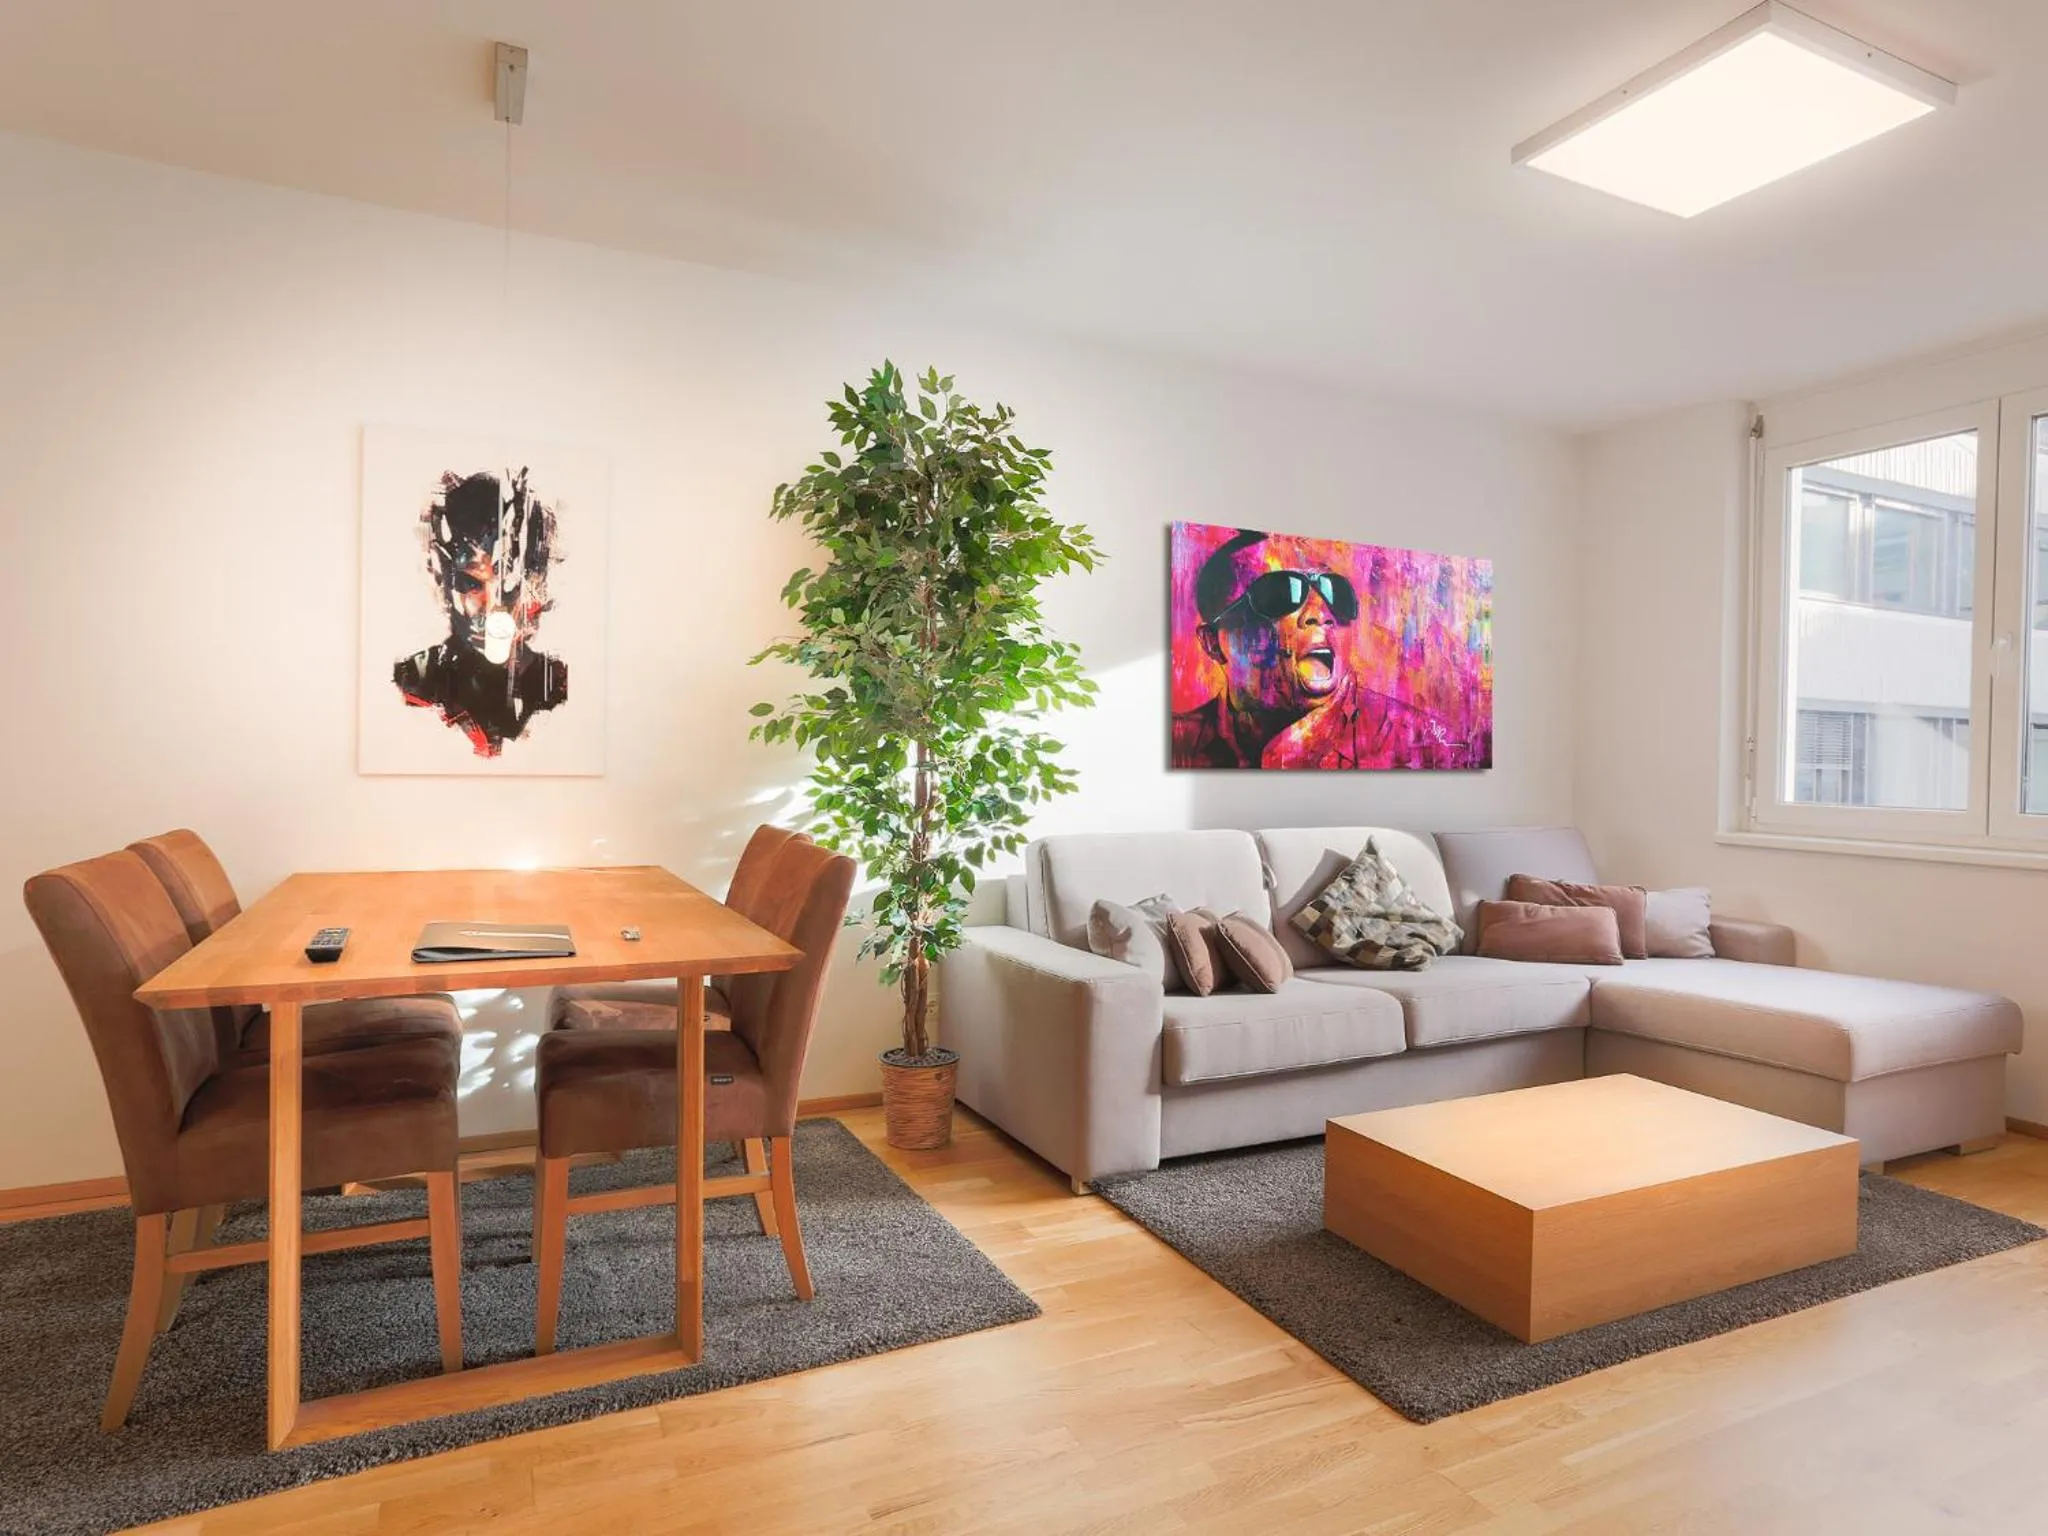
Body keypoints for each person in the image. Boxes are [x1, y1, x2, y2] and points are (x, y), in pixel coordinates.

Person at [1171, 528, 1476, 770]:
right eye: (1280, 592)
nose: (1320, 612)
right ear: (1213, 642)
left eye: (1335, 593)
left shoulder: (1421, 743)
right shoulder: (1177, 743)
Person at [393, 467, 568, 757]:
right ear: (441, 576)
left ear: (537, 583)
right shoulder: (414, 683)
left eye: (510, 587)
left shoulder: (555, 687)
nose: (492, 606)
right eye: (471, 582)